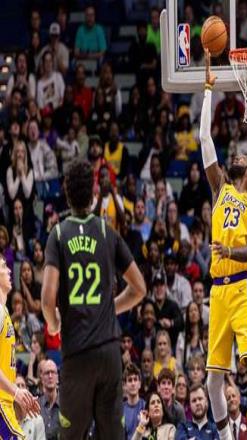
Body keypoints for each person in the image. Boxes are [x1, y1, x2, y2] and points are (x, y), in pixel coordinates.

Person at [41, 159, 146, 439]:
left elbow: (47, 299)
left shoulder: (58, 234)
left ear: (66, 192)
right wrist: (109, 308)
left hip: (77, 353)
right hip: (109, 352)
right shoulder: (105, 231)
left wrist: (54, 324)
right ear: (93, 192)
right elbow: (139, 288)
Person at [201, 49, 247, 440]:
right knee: (212, 380)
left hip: (241, 289)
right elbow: (203, 138)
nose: (238, 153)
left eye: (245, 154)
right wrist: (208, 91)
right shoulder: (220, 188)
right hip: (217, 292)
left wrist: (228, 251)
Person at [0, 256, 40, 438]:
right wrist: (16, 391)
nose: (9, 270)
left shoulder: (5, 312)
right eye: (3, 267)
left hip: (6, 404)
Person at [14, 374, 45, 440]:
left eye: (23, 385)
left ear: (27, 390)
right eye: (17, 386)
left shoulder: (37, 420)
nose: (21, 389)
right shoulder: (6, 418)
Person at [123, 363, 146, 440]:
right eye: (130, 380)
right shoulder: (120, 410)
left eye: (135, 379)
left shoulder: (146, 406)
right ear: (124, 385)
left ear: (139, 384)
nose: (133, 383)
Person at [39, 359, 60, 440]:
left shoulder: (66, 406)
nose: (50, 376)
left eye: (53, 372)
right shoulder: (36, 406)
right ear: (42, 379)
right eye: (47, 373)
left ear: (57, 378)